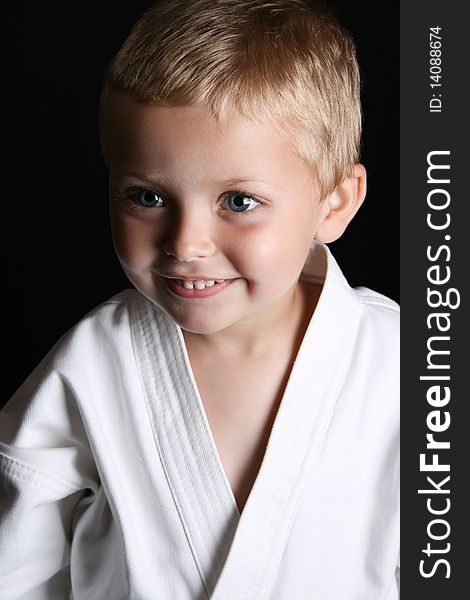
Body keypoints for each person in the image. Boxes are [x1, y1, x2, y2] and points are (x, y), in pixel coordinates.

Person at [0, 1, 399, 598]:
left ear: (335, 202)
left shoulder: (403, 364)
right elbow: (17, 565)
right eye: (147, 198)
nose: (185, 243)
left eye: (239, 201)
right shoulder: (91, 362)